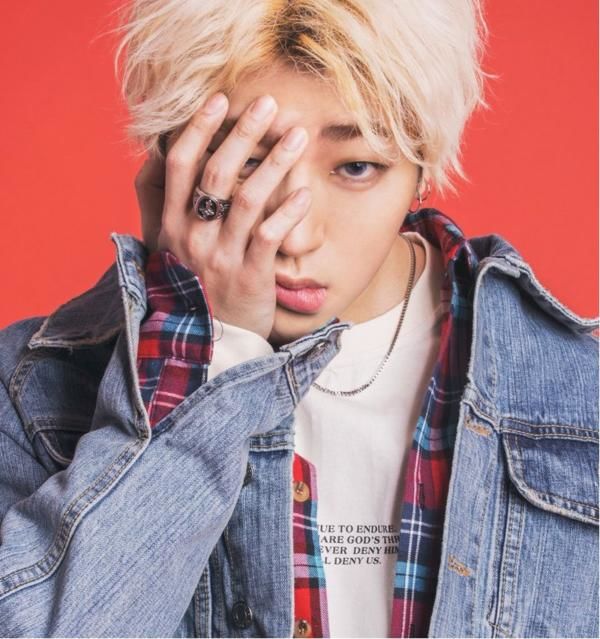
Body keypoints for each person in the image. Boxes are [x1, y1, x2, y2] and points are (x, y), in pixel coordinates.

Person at [0, 0, 597, 637]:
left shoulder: (579, 393)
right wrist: (210, 347)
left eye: (357, 167)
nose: (294, 235)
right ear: (171, 156)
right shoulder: (31, 387)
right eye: (249, 163)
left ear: (421, 166)